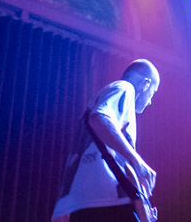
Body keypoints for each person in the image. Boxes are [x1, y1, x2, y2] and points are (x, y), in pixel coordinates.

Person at [52, 59, 161, 222]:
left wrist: (141, 199)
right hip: (107, 203)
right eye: (153, 92)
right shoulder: (125, 88)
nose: (151, 101)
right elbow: (99, 118)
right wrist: (138, 161)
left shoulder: (107, 100)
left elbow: (111, 158)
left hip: (86, 205)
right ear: (145, 84)